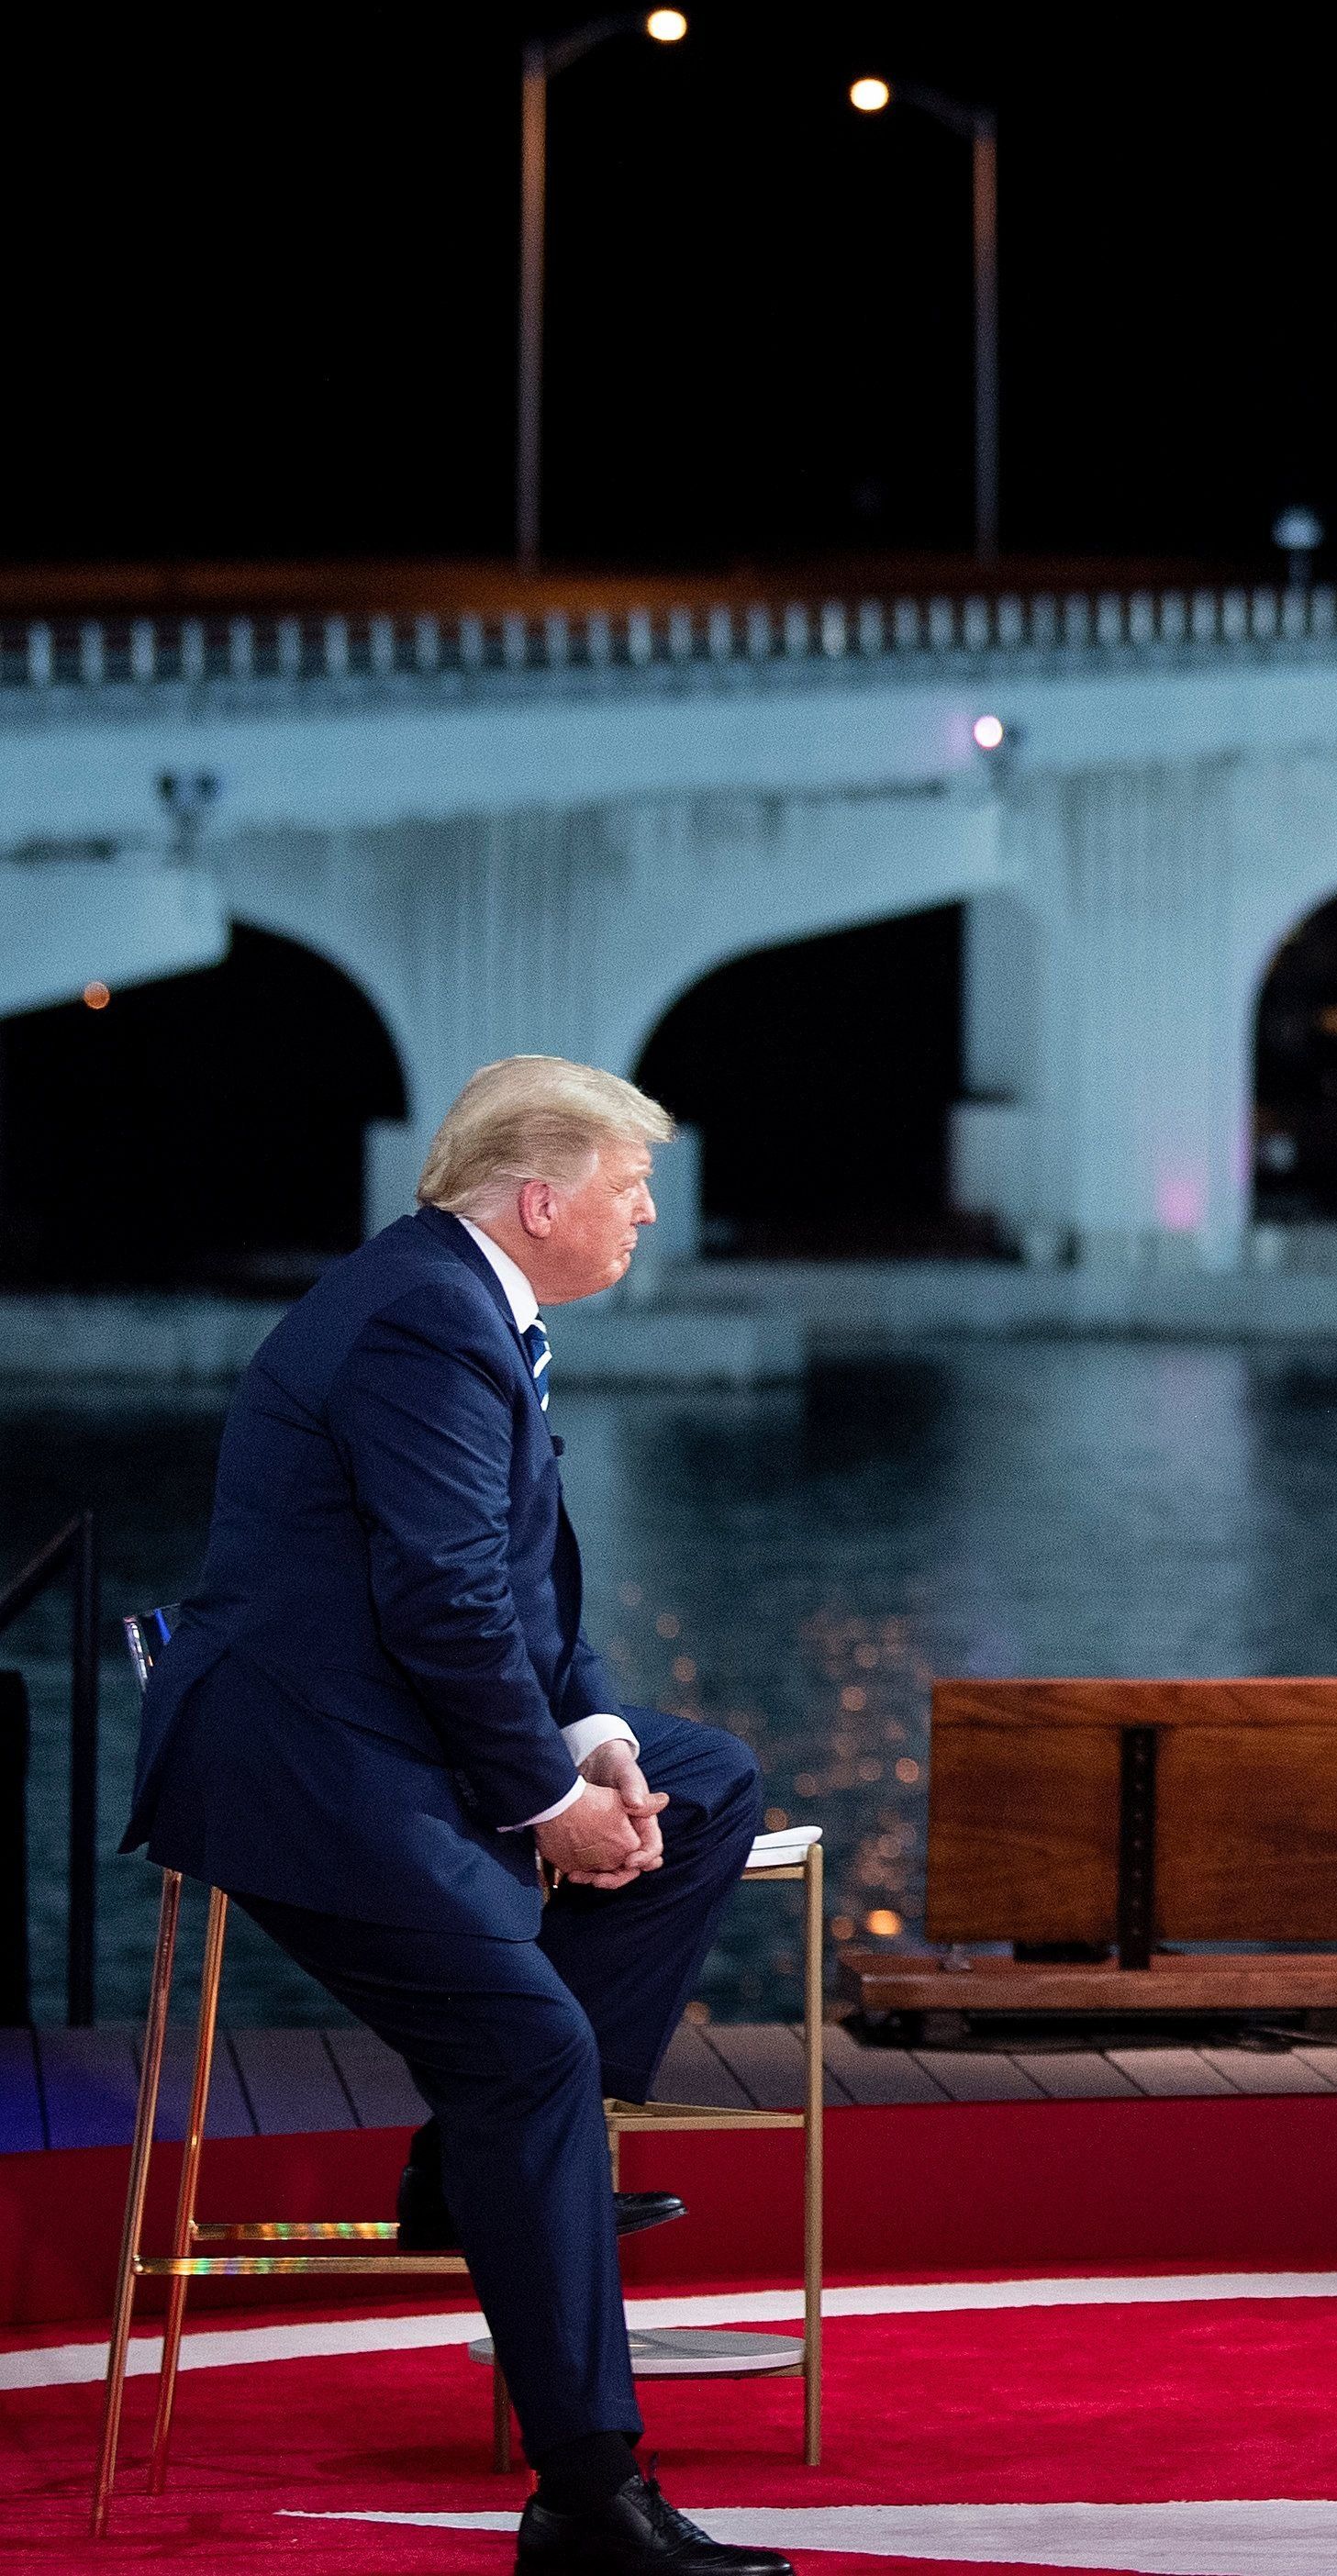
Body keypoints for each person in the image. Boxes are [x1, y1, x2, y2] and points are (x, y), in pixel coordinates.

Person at [127, 1059, 790, 2576]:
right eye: (629, 1189)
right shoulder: (427, 1314)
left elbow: (516, 1594)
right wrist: (548, 1801)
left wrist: (606, 1745)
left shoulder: (473, 1306)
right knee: (531, 2050)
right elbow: (440, 1600)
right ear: (537, 1200)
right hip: (305, 1754)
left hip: (400, 1721)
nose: (644, 1217)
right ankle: (589, 2500)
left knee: (704, 1782)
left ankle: (466, 2160)